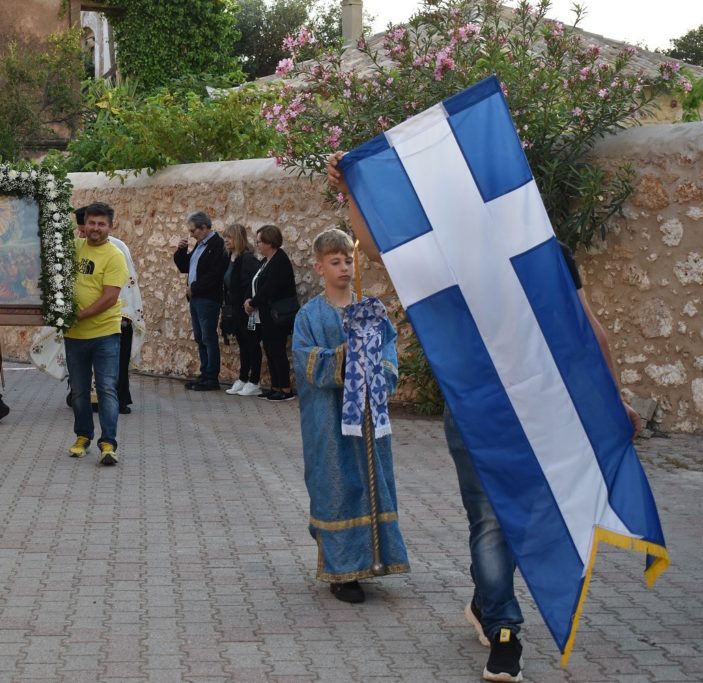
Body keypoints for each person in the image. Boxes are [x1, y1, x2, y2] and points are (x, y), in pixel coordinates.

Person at [326, 151, 641, 682]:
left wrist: (614, 399)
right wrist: (351, 188)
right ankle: (504, 631)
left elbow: (590, 331)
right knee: (494, 520)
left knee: (514, 519)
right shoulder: (478, 256)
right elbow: (379, 250)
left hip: (523, 409)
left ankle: (484, 600)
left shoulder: (523, 253)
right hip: (486, 410)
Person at [292, 228, 409, 604]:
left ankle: (377, 557)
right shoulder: (309, 316)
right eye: (335, 261)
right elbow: (305, 359)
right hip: (328, 420)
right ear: (319, 267)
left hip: (370, 418)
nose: (344, 267)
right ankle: (342, 572)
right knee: (336, 482)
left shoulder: (371, 312)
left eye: (348, 260)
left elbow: (389, 350)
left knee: (371, 480)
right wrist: (345, 358)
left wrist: (381, 371)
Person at [64, 202, 128, 466]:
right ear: (84, 225)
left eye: (101, 224)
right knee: (78, 391)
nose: (96, 228)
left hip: (105, 334)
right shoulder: (73, 249)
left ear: (109, 227)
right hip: (74, 336)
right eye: (92, 223)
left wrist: (77, 315)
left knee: (106, 390)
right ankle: (83, 437)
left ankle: (109, 443)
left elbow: (109, 298)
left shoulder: (114, 256)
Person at [74, 205, 146, 414]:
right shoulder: (78, 246)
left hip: (117, 315)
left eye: (99, 224)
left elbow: (125, 283)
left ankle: (119, 399)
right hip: (85, 319)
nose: (85, 232)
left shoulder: (117, 248)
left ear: (108, 226)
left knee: (115, 364)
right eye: (86, 227)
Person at [173, 211, 227, 391]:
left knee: (208, 337)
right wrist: (181, 251)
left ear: (204, 227)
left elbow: (215, 273)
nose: (191, 234)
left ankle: (212, 377)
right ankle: (204, 374)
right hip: (195, 298)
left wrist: (195, 287)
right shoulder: (199, 245)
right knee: (199, 337)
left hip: (208, 298)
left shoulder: (217, 245)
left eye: (193, 230)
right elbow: (185, 266)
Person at [244, 225, 298, 401]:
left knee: (277, 350)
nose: (257, 245)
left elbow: (269, 288)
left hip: (277, 315)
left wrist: (253, 302)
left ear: (269, 242)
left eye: (260, 241)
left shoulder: (279, 260)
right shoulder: (265, 261)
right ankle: (275, 386)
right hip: (265, 315)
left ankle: (285, 388)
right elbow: (255, 283)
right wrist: (248, 299)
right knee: (269, 348)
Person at [221, 223, 263, 397]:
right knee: (243, 345)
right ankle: (243, 377)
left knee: (252, 344)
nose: (226, 241)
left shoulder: (247, 259)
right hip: (235, 310)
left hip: (247, 310)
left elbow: (255, 282)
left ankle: (254, 381)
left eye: (229, 237)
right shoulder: (230, 258)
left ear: (238, 238)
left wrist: (249, 301)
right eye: (225, 237)